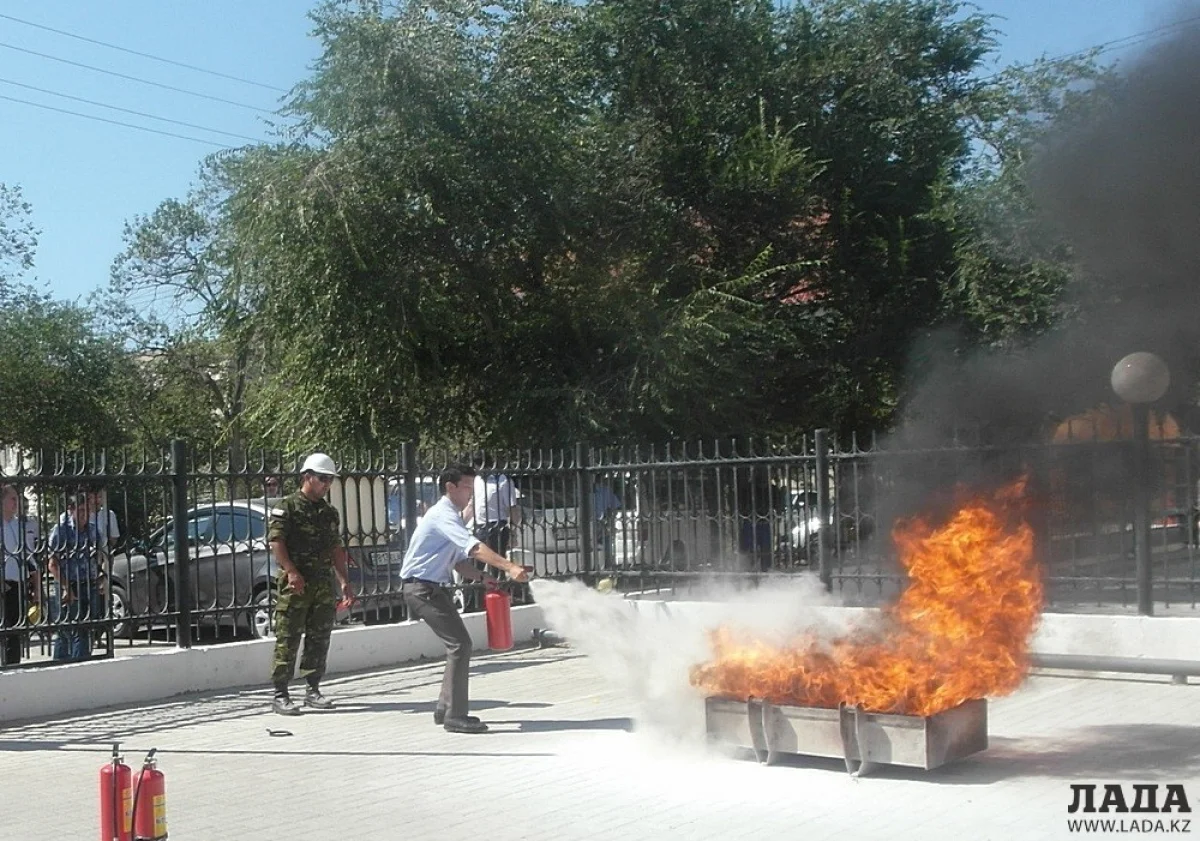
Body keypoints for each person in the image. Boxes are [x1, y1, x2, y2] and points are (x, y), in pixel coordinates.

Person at [400, 464, 530, 733]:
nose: (472, 494)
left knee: (458, 645)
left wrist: (483, 578)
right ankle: (455, 716)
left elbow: (460, 562)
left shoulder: (452, 517)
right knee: (460, 645)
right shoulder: (442, 515)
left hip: (431, 588)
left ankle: (444, 708)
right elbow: (474, 548)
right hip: (421, 589)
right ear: (450, 487)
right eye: (468, 488)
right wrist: (509, 567)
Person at [268, 453, 356, 715]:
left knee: (319, 638)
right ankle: (280, 694)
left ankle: (312, 689)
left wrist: (344, 581)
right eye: (322, 478)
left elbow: (335, 548)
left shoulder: (329, 513)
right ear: (307, 477)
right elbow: (276, 542)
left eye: (330, 480)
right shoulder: (287, 507)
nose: (327, 484)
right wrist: (292, 571)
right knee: (288, 637)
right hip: (295, 584)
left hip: (321, 583)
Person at [47, 492, 100, 662]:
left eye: (88, 511)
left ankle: (82, 663)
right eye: (81, 510)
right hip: (68, 584)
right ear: (71, 510)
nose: (85, 515)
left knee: (86, 628)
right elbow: (52, 564)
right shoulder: (61, 530)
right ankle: (60, 666)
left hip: (89, 583)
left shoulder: (92, 529)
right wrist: (66, 588)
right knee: (67, 630)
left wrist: (100, 578)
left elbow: (100, 554)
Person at [1, 484, 40, 666]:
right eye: (13, 499)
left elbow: (29, 557)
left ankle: (13, 667)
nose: (16, 503)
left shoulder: (19, 526)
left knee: (15, 632)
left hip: (18, 585)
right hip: (3, 585)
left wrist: (36, 586)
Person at [471, 470, 521, 557]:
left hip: (497, 526)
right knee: (475, 564)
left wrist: (513, 533)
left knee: (497, 564)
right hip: (479, 526)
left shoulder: (503, 480)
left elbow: (512, 508)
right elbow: (471, 505)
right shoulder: (477, 479)